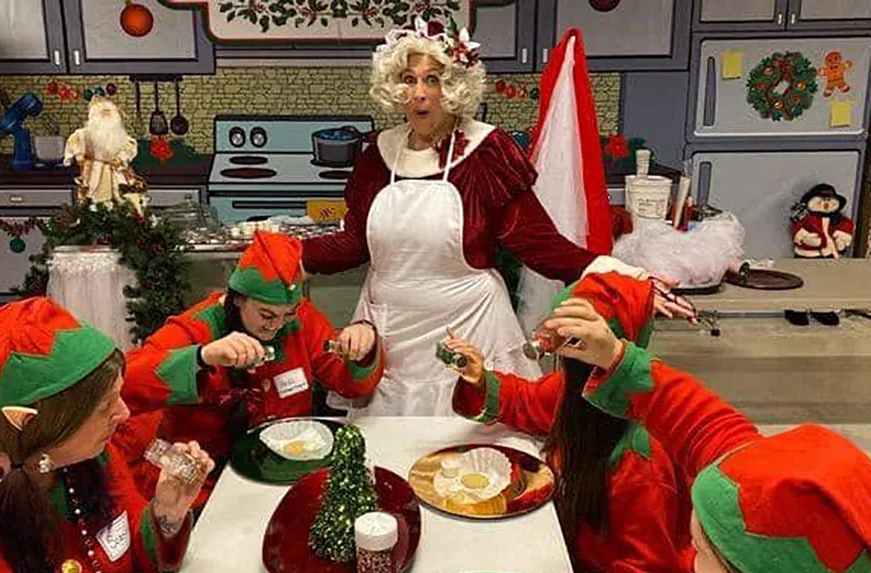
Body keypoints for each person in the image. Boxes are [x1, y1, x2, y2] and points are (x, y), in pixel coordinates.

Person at [300, 18, 692, 416]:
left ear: (453, 86)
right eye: (408, 79)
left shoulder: (485, 153)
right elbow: (353, 243)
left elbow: (539, 243)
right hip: (386, 332)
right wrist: (285, 256)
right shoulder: (378, 154)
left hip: (468, 328)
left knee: (469, 455)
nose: (419, 94)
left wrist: (625, 275)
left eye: (433, 80)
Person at [0, 297, 213, 573]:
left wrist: (168, 514)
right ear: (41, 422)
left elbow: (132, 551)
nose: (124, 414)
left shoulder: (90, 457)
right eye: (105, 406)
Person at [546, 286, 871, 573]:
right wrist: (616, 357)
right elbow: (704, 426)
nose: (689, 561)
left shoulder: (640, 465)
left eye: (699, 551)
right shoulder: (761, 508)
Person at [447, 272, 694, 572]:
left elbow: (648, 564)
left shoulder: (642, 460)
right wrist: (479, 380)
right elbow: (524, 399)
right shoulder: (574, 393)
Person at [118, 231, 384, 502]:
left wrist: (362, 347)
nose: (277, 325)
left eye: (287, 314)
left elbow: (349, 384)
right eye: (266, 315)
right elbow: (125, 381)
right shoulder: (195, 328)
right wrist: (200, 357)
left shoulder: (300, 321)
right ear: (237, 298)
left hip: (288, 469)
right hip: (208, 480)